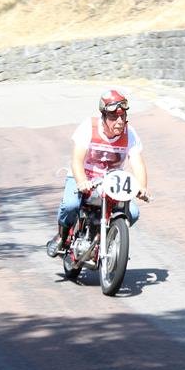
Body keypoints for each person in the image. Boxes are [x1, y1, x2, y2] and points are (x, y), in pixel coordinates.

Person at [46, 89, 149, 256]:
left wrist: (142, 187)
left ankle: (107, 238)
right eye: (114, 117)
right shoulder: (89, 127)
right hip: (84, 176)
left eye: (122, 116)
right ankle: (62, 236)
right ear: (104, 116)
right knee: (71, 205)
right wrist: (81, 181)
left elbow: (137, 163)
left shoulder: (130, 133)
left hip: (111, 182)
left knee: (134, 213)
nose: (119, 122)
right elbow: (77, 160)